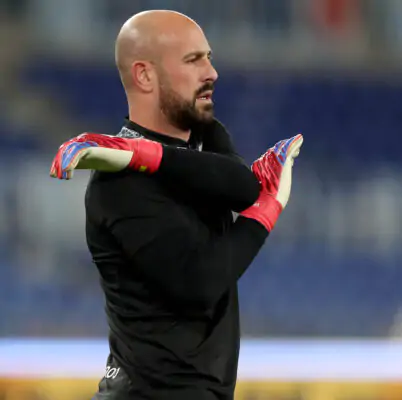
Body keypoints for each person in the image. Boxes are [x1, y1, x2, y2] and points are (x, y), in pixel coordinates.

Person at [48, 9, 303, 400]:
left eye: (208, 57)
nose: (211, 72)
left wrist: (142, 153)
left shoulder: (203, 138)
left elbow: (244, 187)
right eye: (193, 60)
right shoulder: (121, 185)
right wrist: (267, 212)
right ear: (145, 76)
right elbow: (201, 283)